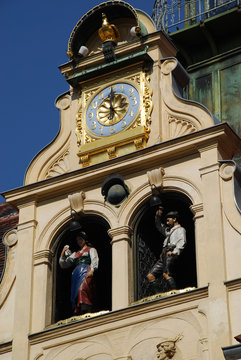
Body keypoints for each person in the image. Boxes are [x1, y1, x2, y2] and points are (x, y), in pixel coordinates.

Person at [147, 207, 186, 293]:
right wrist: (157, 216)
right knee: (150, 276)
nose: (166, 221)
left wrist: (174, 252)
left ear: (174, 219)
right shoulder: (168, 231)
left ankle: (175, 293)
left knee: (166, 273)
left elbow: (181, 242)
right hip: (164, 255)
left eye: (169, 219)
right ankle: (158, 295)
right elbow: (159, 226)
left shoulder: (180, 230)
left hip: (170, 253)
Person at [59, 230, 99, 315]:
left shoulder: (91, 250)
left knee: (83, 288)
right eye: (77, 240)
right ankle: (79, 309)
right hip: (76, 274)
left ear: (84, 239)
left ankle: (85, 307)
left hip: (86, 270)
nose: (79, 241)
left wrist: (92, 270)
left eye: (80, 239)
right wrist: (63, 252)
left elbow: (94, 259)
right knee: (76, 291)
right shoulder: (75, 254)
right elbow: (64, 264)